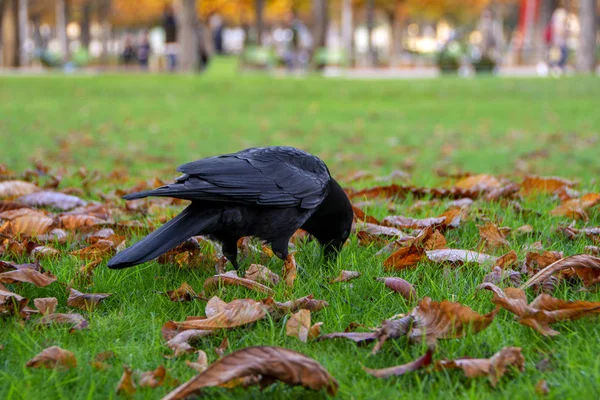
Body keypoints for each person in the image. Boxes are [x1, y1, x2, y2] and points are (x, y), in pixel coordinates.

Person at [163, 6, 178, 72]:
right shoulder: (171, 20)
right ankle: (171, 68)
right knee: (171, 56)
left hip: (171, 41)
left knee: (171, 56)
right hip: (170, 41)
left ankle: (171, 68)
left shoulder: (169, 21)